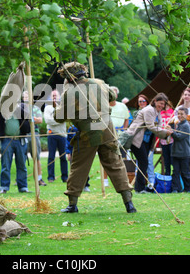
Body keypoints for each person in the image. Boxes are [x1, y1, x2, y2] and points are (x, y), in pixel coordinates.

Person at [53, 61, 136, 213]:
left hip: (87, 135)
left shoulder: (69, 92)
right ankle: (129, 204)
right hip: (107, 131)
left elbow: (59, 117)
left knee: (79, 168)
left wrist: (56, 106)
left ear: (69, 78)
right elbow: (111, 96)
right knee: (116, 166)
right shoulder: (100, 83)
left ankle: (72, 204)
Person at [126, 93, 172, 193]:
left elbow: (158, 128)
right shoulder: (149, 110)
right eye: (160, 103)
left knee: (144, 163)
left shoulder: (157, 112)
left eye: (163, 104)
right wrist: (164, 132)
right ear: (155, 101)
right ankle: (140, 188)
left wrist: (166, 132)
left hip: (146, 141)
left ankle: (140, 187)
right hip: (136, 139)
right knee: (144, 162)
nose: (162, 106)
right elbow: (151, 126)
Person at [0, 99, 31, 194]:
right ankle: (4, 187)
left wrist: (18, 108)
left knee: (22, 165)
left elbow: (27, 121)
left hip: (20, 140)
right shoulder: (4, 106)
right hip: (7, 140)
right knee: (5, 165)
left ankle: (23, 187)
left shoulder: (22, 107)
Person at [105, 86, 130, 186]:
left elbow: (126, 118)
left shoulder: (122, 106)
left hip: (120, 135)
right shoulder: (104, 106)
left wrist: (124, 129)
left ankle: (122, 180)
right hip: (108, 135)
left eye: (114, 93)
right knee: (107, 158)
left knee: (122, 158)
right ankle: (105, 181)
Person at [44, 89, 68, 183]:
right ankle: (50, 177)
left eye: (56, 95)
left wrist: (57, 120)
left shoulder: (63, 107)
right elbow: (47, 120)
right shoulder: (47, 108)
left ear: (59, 97)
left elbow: (65, 119)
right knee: (51, 156)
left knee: (63, 157)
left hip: (62, 135)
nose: (54, 97)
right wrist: (59, 120)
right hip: (52, 134)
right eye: (53, 95)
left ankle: (65, 177)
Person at [22, 91, 46, 186]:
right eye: (24, 97)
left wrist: (30, 118)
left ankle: (39, 178)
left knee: (36, 157)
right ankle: (21, 179)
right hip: (23, 135)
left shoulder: (35, 108)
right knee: (21, 158)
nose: (26, 98)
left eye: (28, 96)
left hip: (34, 134)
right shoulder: (20, 109)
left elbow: (40, 120)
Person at [168, 107, 190, 193]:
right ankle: (175, 188)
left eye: (182, 114)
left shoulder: (185, 125)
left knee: (185, 172)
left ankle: (188, 188)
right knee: (175, 172)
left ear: (186, 115)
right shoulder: (178, 124)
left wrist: (171, 131)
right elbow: (174, 132)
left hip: (184, 153)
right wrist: (170, 126)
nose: (180, 115)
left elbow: (178, 137)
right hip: (175, 152)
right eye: (178, 113)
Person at [160, 100, 174, 175]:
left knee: (172, 158)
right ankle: (167, 175)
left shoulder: (172, 112)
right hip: (163, 140)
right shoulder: (160, 113)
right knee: (166, 159)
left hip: (171, 139)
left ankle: (175, 176)